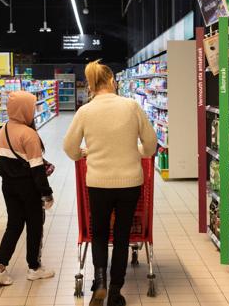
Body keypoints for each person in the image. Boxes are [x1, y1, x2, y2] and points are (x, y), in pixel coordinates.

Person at [63, 60, 157, 306]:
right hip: (130, 183)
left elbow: (70, 148)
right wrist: (137, 150)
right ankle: (116, 291)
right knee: (122, 235)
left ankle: (100, 281)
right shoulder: (132, 106)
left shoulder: (85, 111)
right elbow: (150, 144)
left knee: (100, 233)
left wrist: (82, 154)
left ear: (92, 85)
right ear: (112, 81)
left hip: (98, 183)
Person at [0, 91, 55, 285]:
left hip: (8, 186)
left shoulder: (4, 129)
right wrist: (47, 193)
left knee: (14, 224)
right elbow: (37, 170)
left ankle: (0, 267)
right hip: (28, 187)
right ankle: (34, 268)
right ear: (24, 108)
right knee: (35, 225)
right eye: (32, 106)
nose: (34, 111)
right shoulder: (29, 134)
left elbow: (3, 163)